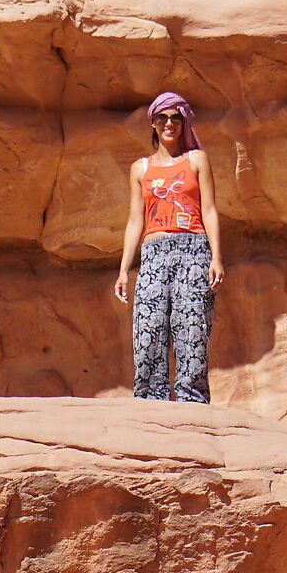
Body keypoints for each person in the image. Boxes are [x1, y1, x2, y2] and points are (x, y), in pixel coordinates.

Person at [114, 91, 223, 402]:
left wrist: (216, 257)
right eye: (162, 117)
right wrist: (123, 270)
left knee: (192, 328)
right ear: (153, 122)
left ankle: (192, 401)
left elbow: (210, 210)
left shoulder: (197, 160)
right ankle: (151, 400)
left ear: (184, 121)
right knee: (148, 330)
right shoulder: (141, 168)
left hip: (194, 249)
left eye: (176, 117)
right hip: (153, 254)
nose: (169, 123)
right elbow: (135, 221)